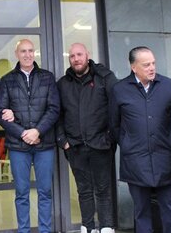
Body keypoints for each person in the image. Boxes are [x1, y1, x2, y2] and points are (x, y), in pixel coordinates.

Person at [109, 46, 171, 232]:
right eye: (146, 64)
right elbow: (114, 125)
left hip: (165, 160)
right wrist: (128, 144)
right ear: (133, 67)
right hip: (136, 162)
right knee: (142, 212)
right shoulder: (119, 89)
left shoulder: (167, 85)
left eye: (153, 63)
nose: (152, 68)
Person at [0, 39, 60, 233]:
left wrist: (37, 131)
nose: (27, 54)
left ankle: (45, 230)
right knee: (22, 192)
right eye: (23, 51)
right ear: (17, 54)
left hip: (44, 144)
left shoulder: (47, 78)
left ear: (35, 53)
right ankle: (23, 230)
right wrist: (24, 133)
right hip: (18, 146)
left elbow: (54, 109)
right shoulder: (7, 80)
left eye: (31, 51)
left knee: (45, 192)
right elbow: (0, 113)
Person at [56, 43, 117, 233]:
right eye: (72, 56)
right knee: (84, 191)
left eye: (79, 54)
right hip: (75, 147)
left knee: (103, 190)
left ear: (87, 55)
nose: (76, 59)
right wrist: (63, 141)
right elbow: (57, 115)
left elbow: (116, 108)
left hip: (101, 145)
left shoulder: (103, 78)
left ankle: (106, 227)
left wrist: (110, 137)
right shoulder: (63, 84)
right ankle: (88, 228)